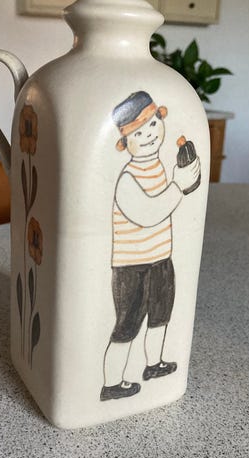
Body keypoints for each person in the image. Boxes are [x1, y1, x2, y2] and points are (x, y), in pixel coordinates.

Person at [101, 91, 200, 401]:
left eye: (153, 124)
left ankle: (153, 364)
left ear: (162, 120)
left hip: (161, 258)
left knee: (160, 315)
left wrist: (184, 180)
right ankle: (112, 383)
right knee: (127, 326)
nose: (149, 135)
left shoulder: (158, 167)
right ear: (124, 143)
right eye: (138, 133)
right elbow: (148, 214)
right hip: (131, 267)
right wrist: (178, 186)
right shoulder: (127, 179)